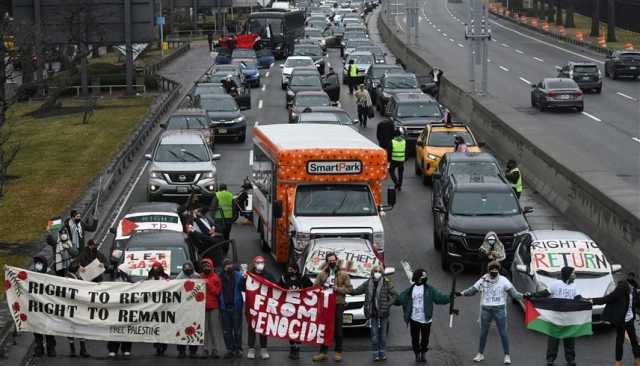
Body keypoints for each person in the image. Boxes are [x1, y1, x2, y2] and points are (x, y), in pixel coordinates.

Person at [456, 261, 523, 364]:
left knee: (503, 333)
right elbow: (473, 290)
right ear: (489, 270)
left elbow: (514, 294)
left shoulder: (504, 280)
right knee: (483, 333)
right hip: (486, 309)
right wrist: (461, 293)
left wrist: (526, 296)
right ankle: (480, 354)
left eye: (496, 269)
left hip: (499, 309)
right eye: (492, 269)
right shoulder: (483, 279)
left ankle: (507, 355)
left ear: (499, 270)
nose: (494, 271)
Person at [525, 266, 580, 366]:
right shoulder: (556, 284)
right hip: (556, 317)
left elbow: (577, 297)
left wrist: (588, 301)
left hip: (569, 318)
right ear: (568, 275)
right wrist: (532, 295)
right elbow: (545, 293)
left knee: (570, 339)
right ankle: (550, 360)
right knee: (554, 340)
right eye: (573, 273)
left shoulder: (574, 286)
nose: (575, 275)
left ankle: (570, 360)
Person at [394, 268, 449, 363]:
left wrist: (451, 297)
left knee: (425, 340)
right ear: (418, 277)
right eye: (424, 275)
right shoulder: (410, 290)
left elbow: (440, 298)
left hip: (426, 320)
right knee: (414, 339)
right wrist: (389, 299)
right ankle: (417, 354)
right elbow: (399, 299)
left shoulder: (430, 289)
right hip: (414, 319)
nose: (425, 277)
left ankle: (423, 353)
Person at [591, 272, 640, 366]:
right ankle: (618, 361)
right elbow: (607, 298)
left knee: (634, 340)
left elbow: (635, 304)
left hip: (630, 319)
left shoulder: (634, 290)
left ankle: (637, 359)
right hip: (621, 320)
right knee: (620, 340)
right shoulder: (621, 289)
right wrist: (592, 301)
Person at [312, 253, 353, 362]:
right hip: (325, 305)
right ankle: (323, 352)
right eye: (329, 260)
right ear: (327, 261)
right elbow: (314, 288)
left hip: (338, 304)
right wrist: (321, 289)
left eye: (333, 260)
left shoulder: (343, 274)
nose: (332, 262)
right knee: (324, 329)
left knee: (338, 329)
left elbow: (350, 289)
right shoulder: (321, 275)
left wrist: (337, 289)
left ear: (337, 260)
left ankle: (338, 352)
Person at [351, 265, 398, 361]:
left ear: (382, 273)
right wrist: (343, 289)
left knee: (383, 336)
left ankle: (382, 352)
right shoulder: (368, 283)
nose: (377, 273)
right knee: (374, 336)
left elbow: (395, 295)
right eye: (375, 271)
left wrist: (388, 304)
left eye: (379, 271)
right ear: (372, 272)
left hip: (383, 313)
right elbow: (356, 291)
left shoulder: (386, 283)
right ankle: (375, 354)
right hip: (372, 313)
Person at [279, 263, 313, 360]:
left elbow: (311, 287)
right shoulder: (284, 278)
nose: (291, 272)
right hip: (288, 307)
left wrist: (302, 291)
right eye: (289, 270)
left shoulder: (303, 278)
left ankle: (297, 349)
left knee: (298, 327)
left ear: (296, 269)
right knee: (290, 328)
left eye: (292, 270)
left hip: (300, 307)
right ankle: (292, 348)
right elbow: (277, 288)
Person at [246, 256, 276, 360]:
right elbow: (241, 287)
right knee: (252, 328)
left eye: (262, 262)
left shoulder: (268, 275)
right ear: (254, 263)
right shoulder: (249, 274)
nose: (260, 264)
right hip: (251, 306)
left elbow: (276, 286)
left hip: (264, 306)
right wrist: (243, 278)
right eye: (258, 262)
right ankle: (251, 349)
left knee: (263, 328)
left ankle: (264, 349)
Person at [31, 252, 57, 357]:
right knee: (37, 329)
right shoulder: (32, 274)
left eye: (40, 263)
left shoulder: (51, 275)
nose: (38, 265)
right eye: (37, 263)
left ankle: (51, 349)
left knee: (49, 329)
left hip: (48, 307)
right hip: (37, 307)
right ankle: (39, 348)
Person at [219, 258, 245, 359]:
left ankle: (238, 349)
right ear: (223, 267)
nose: (229, 267)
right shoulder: (219, 277)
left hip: (236, 307)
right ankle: (229, 349)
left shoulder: (238, 276)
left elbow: (244, 288)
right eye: (227, 265)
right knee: (226, 331)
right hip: (224, 308)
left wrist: (245, 279)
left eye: (230, 265)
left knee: (237, 330)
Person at [176, 261, 201, 358]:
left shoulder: (197, 277)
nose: (187, 270)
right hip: (182, 307)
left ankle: (193, 351)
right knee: (182, 328)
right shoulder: (178, 278)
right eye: (185, 268)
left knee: (194, 328)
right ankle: (181, 351)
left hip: (194, 307)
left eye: (189, 268)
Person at [198, 258, 222, 359]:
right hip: (202, 307)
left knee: (213, 329)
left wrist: (209, 284)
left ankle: (215, 349)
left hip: (213, 307)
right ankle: (205, 349)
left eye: (208, 266)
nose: (206, 268)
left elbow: (217, 292)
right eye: (204, 266)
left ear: (211, 267)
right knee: (204, 330)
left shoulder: (216, 278)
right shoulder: (199, 277)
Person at [107, 264, 133, 358]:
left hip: (126, 310)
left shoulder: (130, 283)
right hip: (115, 309)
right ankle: (113, 349)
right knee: (114, 329)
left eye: (119, 270)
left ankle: (126, 349)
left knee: (126, 329)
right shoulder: (113, 281)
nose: (117, 271)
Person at [148, 262, 170, 356]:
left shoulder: (166, 278)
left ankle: (164, 346)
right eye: (154, 269)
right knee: (155, 327)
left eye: (158, 269)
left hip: (164, 307)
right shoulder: (149, 279)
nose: (156, 271)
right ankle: (157, 346)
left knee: (164, 327)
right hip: (154, 308)